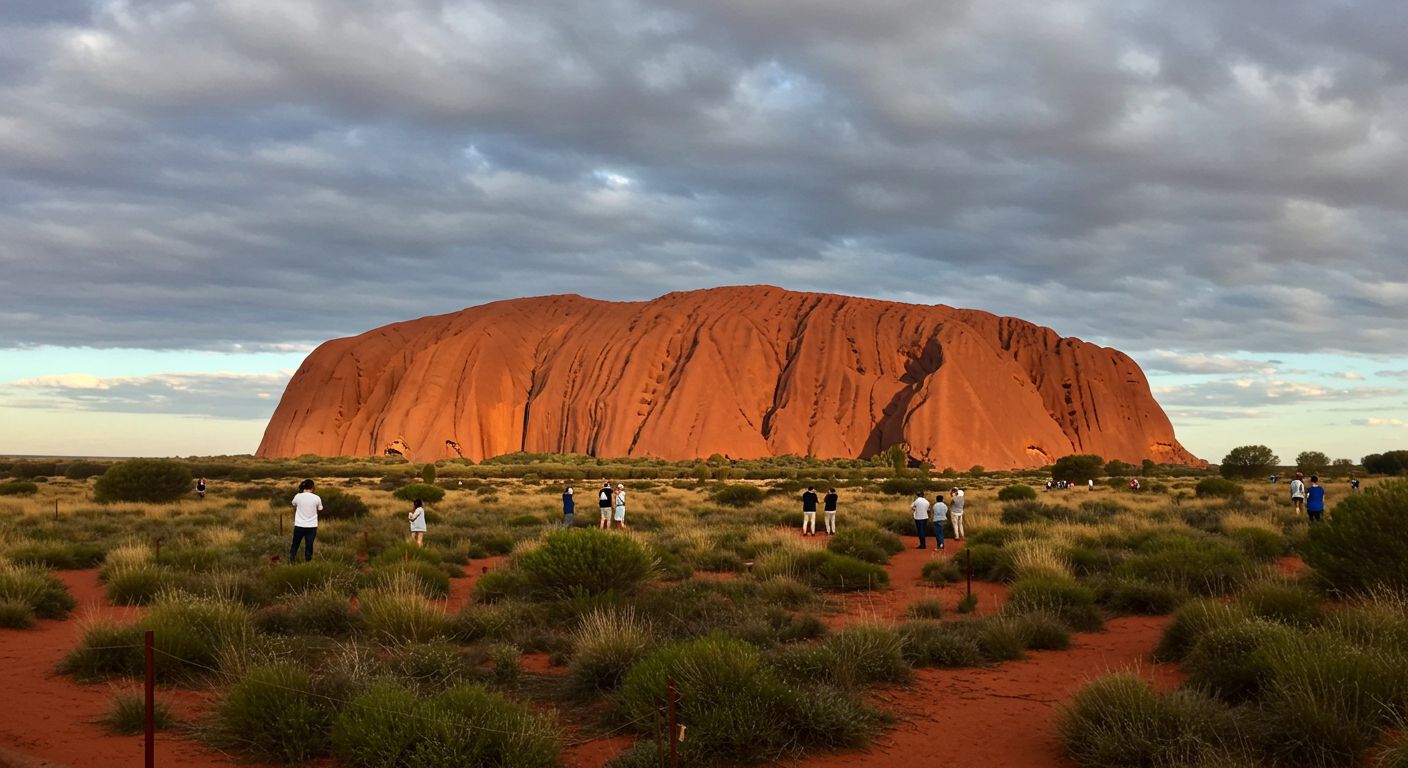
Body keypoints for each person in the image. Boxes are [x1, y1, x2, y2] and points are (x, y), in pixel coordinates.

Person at [289, 479, 322, 563]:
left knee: (295, 544)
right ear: (312, 487)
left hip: (299, 525)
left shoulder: (297, 496)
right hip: (312, 526)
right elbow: (320, 508)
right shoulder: (316, 498)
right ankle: (308, 562)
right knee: (309, 545)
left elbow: (293, 503)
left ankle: (291, 560)